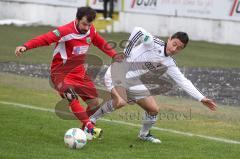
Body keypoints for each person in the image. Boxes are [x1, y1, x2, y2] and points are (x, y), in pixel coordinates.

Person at [90, 27, 217, 143]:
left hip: (132, 81)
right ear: (170, 38)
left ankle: (144, 135)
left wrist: (201, 98)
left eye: (179, 48)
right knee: (121, 101)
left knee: (153, 110)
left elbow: (183, 81)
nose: (174, 49)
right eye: (174, 44)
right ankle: (91, 121)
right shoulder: (152, 42)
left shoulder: (169, 62)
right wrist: (126, 51)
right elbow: (138, 31)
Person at [15, 7, 123, 140]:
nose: (87, 27)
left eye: (90, 25)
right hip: (61, 74)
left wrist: (114, 55)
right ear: (77, 20)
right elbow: (44, 38)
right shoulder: (64, 31)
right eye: (84, 24)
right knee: (71, 97)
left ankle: (83, 133)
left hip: (79, 73)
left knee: (94, 104)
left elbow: (100, 42)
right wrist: (25, 46)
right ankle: (90, 127)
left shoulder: (90, 30)